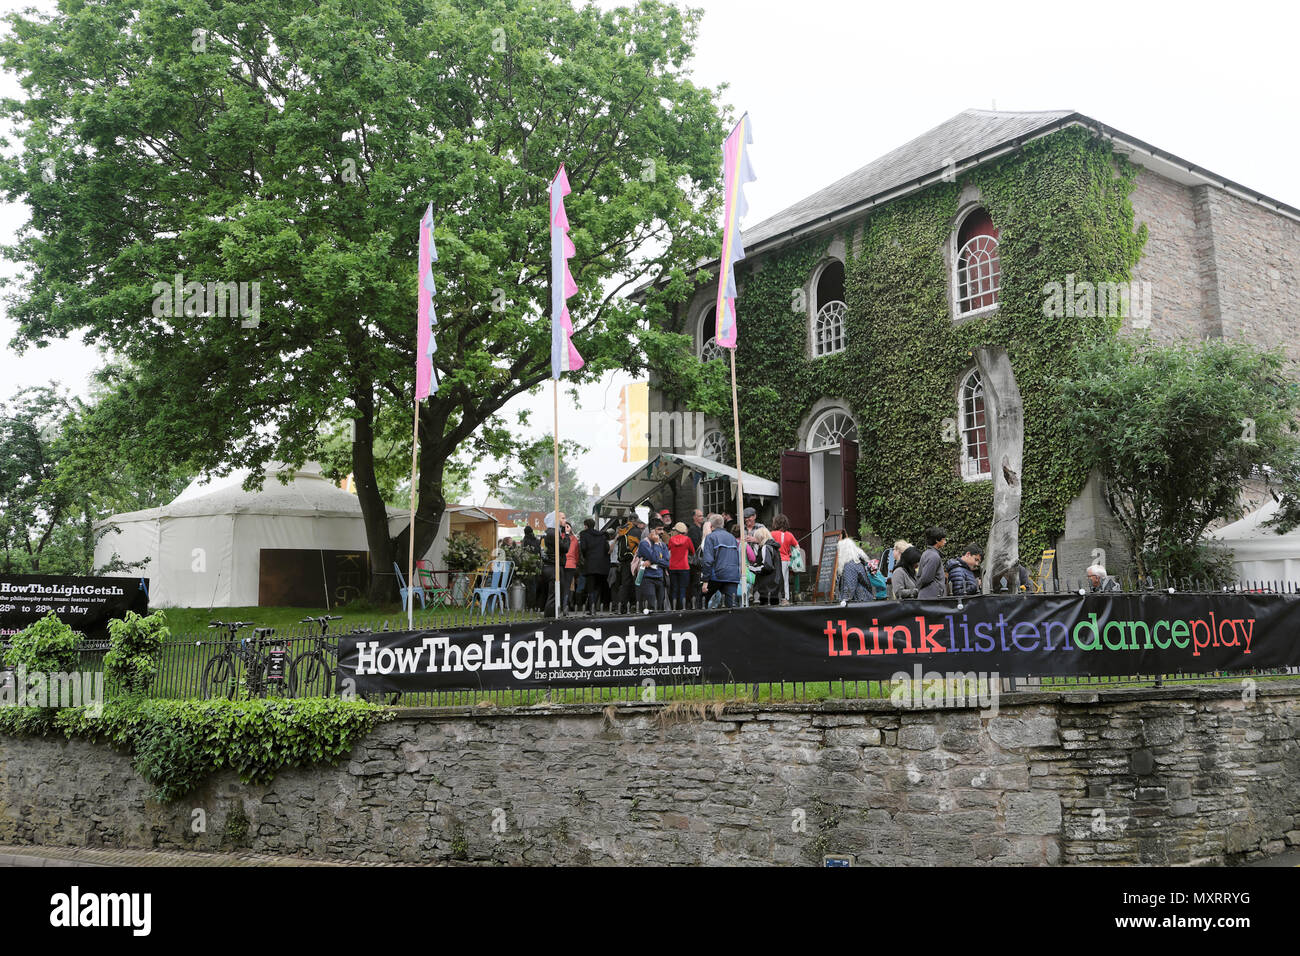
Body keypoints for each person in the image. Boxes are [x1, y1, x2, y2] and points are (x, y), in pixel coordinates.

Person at [700, 514, 740, 608]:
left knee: (700, 601)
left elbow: (707, 560)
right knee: (732, 606)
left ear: (710, 525)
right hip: (732, 575)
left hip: (717, 575)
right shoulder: (732, 537)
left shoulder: (710, 537)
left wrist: (705, 580)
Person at [579, 518, 612, 611]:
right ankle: (593, 607)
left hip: (590, 564)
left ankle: (591, 608)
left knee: (590, 587)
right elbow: (607, 548)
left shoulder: (584, 534)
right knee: (598, 586)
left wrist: (586, 557)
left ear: (585, 525)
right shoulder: (602, 535)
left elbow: (583, 548)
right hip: (602, 565)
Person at [636, 525, 669, 610]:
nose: (662, 532)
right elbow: (655, 558)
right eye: (659, 529)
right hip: (648, 578)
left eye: (662, 529)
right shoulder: (644, 543)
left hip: (660, 577)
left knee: (660, 605)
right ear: (651, 531)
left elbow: (667, 563)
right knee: (651, 605)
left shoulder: (663, 545)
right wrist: (656, 544)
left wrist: (651, 562)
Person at [836, 537, 876, 603]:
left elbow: (849, 587)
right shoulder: (858, 562)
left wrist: (844, 601)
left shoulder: (849, 565)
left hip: (858, 601)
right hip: (865, 598)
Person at [769, 514, 798, 606]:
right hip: (786, 560)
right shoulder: (790, 535)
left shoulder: (772, 534)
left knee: (775, 579)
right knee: (785, 580)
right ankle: (785, 598)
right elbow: (797, 546)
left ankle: (776, 597)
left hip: (775, 560)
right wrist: (790, 552)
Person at [749, 526, 782, 605]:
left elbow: (767, 567)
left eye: (757, 538)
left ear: (760, 537)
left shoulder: (765, 547)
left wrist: (752, 568)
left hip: (767, 586)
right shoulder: (774, 547)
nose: (756, 540)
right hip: (776, 585)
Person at [666, 521, 696, 609]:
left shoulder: (671, 539)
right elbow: (693, 552)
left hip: (672, 567)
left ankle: (674, 608)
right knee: (683, 588)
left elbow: (668, 550)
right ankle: (682, 607)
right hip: (684, 567)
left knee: (674, 588)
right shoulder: (687, 540)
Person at [916, 526, 948, 599]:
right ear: (937, 540)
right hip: (931, 597)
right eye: (943, 539)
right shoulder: (933, 556)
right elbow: (926, 578)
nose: (945, 542)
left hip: (928, 596)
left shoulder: (927, 553)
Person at [687, 508, 705, 606]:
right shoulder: (693, 529)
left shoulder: (700, 528)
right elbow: (696, 545)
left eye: (702, 515)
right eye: (699, 516)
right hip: (695, 562)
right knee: (695, 583)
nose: (702, 517)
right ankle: (695, 604)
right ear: (694, 517)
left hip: (700, 560)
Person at [563, 520, 580, 610]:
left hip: (563, 564)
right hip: (572, 565)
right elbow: (577, 554)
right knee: (570, 586)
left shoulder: (561, 538)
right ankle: (569, 603)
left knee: (563, 586)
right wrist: (576, 563)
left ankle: (563, 605)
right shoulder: (575, 539)